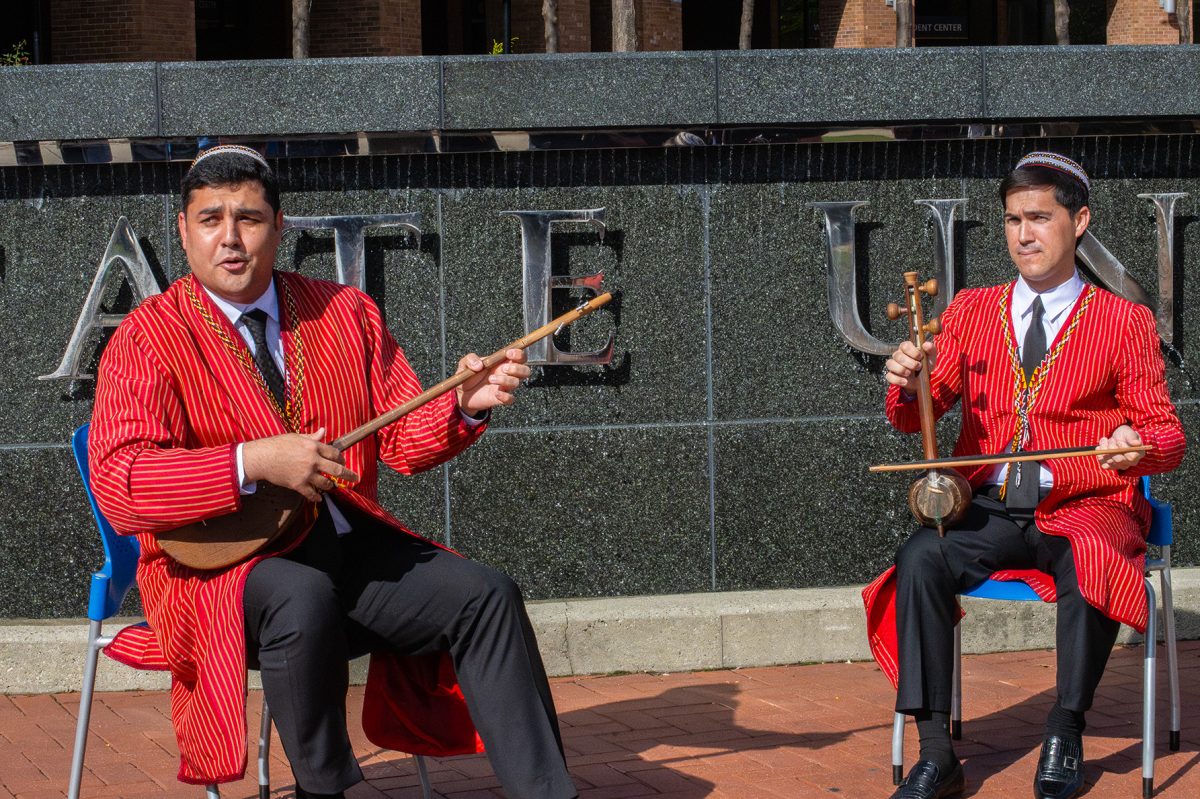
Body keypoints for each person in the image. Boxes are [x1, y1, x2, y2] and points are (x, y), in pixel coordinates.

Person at [89, 144, 578, 799]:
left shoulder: (346, 313)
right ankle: (323, 791)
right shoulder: (146, 337)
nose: (230, 238)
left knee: (484, 593)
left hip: (345, 551)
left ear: (280, 225)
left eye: (249, 218)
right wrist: (254, 460)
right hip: (219, 570)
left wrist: (461, 402)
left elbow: (402, 440)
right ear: (184, 229)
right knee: (302, 596)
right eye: (210, 219)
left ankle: (547, 792)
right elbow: (121, 484)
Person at [863, 151, 1185, 799]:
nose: (1024, 234)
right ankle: (936, 754)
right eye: (1012, 220)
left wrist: (1136, 445)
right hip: (990, 508)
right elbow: (921, 412)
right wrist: (909, 383)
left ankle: (1065, 727)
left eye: (1039, 217)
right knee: (922, 553)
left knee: (1092, 553)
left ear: (1080, 220)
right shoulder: (971, 311)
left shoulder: (1125, 321)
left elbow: (1168, 434)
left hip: (1086, 503)